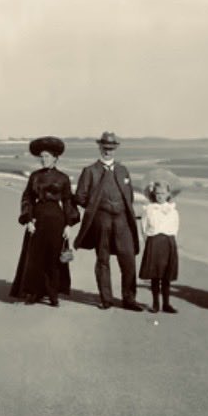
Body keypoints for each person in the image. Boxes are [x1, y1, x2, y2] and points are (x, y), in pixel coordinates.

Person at [74, 131, 144, 311]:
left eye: (111, 148)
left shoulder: (123, 170)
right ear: (99, 147)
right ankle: (106, 299)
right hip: (101, 220)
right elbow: (80, 197)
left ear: (115, 149)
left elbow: (129, 196)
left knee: (128, 259)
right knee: (102, 260)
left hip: (122, 220)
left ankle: (129, 299)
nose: (108, 151)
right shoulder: (90, 171)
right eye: (105, 148)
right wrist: (96, 207)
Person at [10, 137, 80, 307]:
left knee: (54, 258)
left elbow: (68, 201)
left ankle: (53, 292)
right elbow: (27, 198)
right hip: (38, 219)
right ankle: (34, 292)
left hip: (57, 220)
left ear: (55, 158)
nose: (44, 159)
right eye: (42, 156)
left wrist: (68, 225)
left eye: (47, 156)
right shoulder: (34, 177)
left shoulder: (63, 178)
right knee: (35, 257)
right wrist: (28, 220)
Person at [138, 180, 181, 313]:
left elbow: (175, 227)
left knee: (166, 276)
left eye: (163, 193)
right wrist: (149, 240)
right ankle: (156, 304)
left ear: (168, 194)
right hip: (154, 242)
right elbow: (143, 227)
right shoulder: (149, 209)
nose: (160, 196)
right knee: (155, 275)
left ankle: (166, 304)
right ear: (153, 194)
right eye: (157, 193)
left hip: (168, 242)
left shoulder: (173, 210)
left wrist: (170, 241)